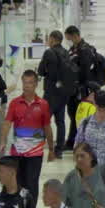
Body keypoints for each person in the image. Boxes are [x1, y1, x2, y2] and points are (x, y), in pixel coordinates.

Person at [0, 69, 54, 208]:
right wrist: (2, 141)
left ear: (36, 84)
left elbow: (47, 127)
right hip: (17, 152)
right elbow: (7, 123)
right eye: (24, 82)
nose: (26, 86)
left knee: (32, 183)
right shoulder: (15, 103)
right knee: (18, 182)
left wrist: (52, 148)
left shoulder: (43, 104)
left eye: (30, 83)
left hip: (35, 153)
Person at [37, 30, 76, 159]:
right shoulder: (66, 52)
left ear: (53, 39)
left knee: (44, 121)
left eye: (49, 39)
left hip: (50, 92)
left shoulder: (49, 52)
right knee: (60, 122)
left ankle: (40, 147)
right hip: (63, 93)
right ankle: (59, 150)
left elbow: (41, 71)